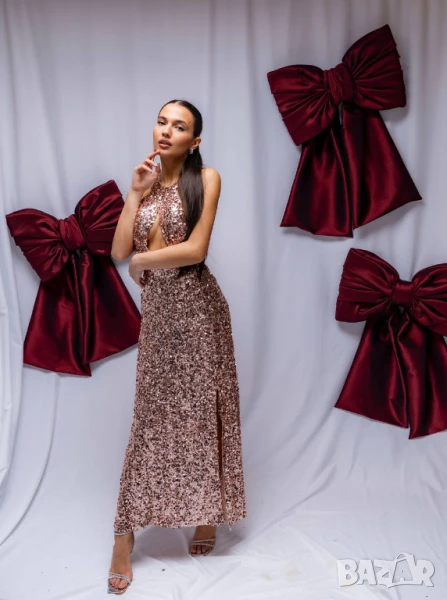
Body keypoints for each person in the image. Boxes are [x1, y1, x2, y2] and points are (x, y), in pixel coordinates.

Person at [107, 99, 247, 594]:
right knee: (149, 419)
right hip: (160, 321)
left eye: (180, 126)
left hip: (201, 314)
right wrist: (133, 192)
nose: (166, 131)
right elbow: (118, 250)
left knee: (202, 414)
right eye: (162, 121)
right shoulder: (145, 186)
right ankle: (123, 536)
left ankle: (206, 514)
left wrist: (143, 263)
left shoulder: (206, 179)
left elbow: (195, 250)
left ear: (194, 141)